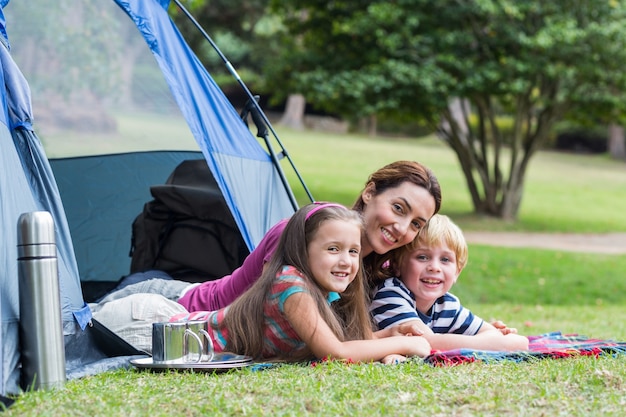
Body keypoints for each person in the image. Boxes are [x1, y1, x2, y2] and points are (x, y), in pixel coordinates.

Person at [97, 160, 442, 316]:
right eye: (398, 208)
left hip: (182, 302)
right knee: (72, 330)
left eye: (416, 223)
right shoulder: (313, 226)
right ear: (369, 192)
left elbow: (410, 313)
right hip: (169, 303)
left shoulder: (372, 263)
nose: (402, 228)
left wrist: (484, 331)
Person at [170, 203, 432, 362]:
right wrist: (407, 344)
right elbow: (336, 353)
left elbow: (327, 343)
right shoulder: (291, 285)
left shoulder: (320, 290)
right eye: (333, 249)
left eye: (353, 251)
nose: (346, 261)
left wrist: (388, 334)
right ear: (304, 250)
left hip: (180, 336)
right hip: (167, 337)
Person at [369, 214, 529, 355]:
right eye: (422, 257)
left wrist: (493, 337)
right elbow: (423, 343)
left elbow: (503, 337)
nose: (434, 267)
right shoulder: (390, 294)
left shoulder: (447, 305)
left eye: (445, 259)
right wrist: (494, 343)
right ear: (397, 265)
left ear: (457, 272)